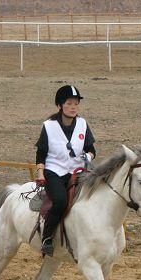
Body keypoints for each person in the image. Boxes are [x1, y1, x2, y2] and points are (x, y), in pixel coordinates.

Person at [34, 85, 96, 257]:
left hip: (78, 171)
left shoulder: (83, 124)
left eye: (76, 103)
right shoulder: (49, 126)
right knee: (60, 201)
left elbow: (92, 150)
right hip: (55, 171)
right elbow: (41, 154)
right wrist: (40, 173)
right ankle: (47, 238)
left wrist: (88, 157)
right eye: (69, 103)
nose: (73, 107)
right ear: (60, 105)